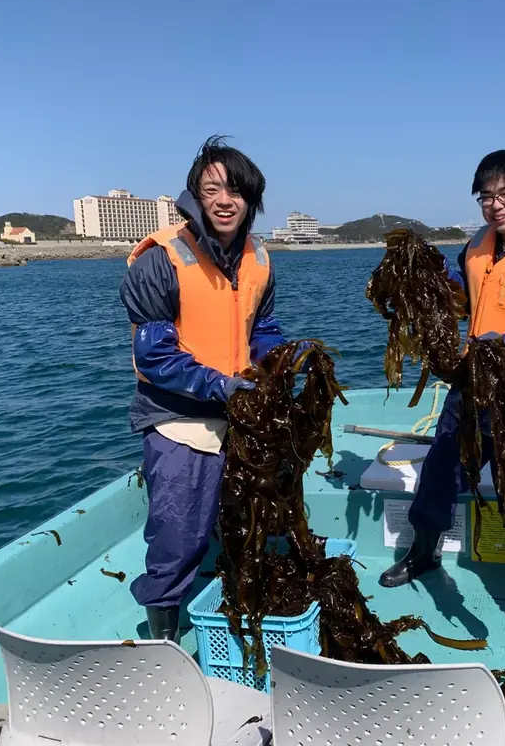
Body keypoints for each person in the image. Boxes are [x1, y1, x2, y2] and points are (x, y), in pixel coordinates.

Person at [378, 149, 505, 614]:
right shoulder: (477, 245)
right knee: (441, 463)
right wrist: (425, 271)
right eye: (486, 197)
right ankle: (423, 554)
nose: (496, 205)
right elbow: (461, 299)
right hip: (471, 382)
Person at [119, 135, 294, 640]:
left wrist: (276, 361)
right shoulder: (162, 259)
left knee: (252, 520)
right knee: (176, 538)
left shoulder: (260, 257)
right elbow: (154, 356)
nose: (224, 200)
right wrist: (224, 388)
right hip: (178, 420)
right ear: (195, 194)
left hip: (240, 413)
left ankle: (241, 611)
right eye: (212, 188)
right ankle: (164, 638)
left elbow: (260, 327)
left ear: (251, 200)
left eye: (236, 191)